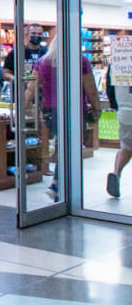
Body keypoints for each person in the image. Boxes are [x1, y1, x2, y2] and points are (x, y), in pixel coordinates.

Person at [29, 34, 100, 201]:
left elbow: (31, 87)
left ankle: (59, 186)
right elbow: (90, 89)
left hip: (50, 111)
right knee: (71, 149)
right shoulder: (80, 61)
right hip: (73, 110)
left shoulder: (42, 62)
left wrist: (22, 107)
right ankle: (58, 184)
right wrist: (97, 108)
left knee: (63, 147)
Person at [107, 68, 132, 198]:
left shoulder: (119, 60)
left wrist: (116, 106)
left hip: (125, 111)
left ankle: (116, 173)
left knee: (126, 147)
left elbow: (109, 86)